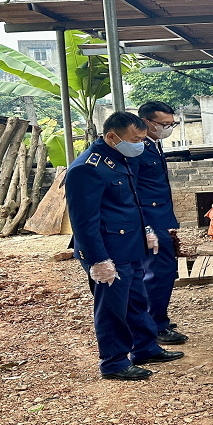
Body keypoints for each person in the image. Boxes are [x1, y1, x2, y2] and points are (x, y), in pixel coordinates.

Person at [65, 112, 184, 381]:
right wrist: (97, 260)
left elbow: (128, 204)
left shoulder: (120, 158)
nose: (140, 144)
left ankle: (145, 347)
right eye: (135, 139)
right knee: (112, 308)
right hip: (109, 252)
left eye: (143, 139)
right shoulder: (87, 168)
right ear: (111, 137)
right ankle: (114, 362)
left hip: (130, 245)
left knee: (136, 301)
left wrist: (146, 230)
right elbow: (83, 222)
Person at [129, 101, 186, 346]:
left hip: (159, 218)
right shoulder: (138, 148)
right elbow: (133, 189)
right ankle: (156, 325)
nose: (168, 128)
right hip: (149, 220)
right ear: (146, 122)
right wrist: (146, 226)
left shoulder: (154, 144)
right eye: (164, 124)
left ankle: (155, 319)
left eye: (171, 124)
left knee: (162, 271)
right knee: (158, 273)